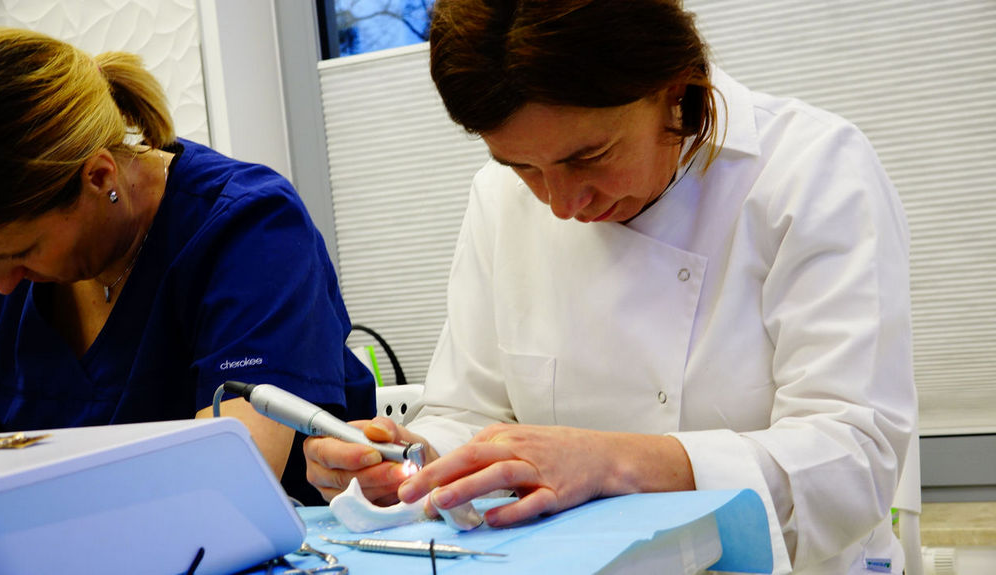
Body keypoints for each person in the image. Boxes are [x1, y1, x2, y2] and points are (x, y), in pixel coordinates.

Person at [304, 1, 917, 572]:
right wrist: (415, 459)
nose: (561, 204)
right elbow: (471, 412)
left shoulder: (810, 172)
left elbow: (853, 460)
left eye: (590, 156)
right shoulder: (498, 200)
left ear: (674, 86)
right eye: (522, 167)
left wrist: (611, 463)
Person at [0, 26, 376, 505]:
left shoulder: (251, 230)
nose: (0, 285)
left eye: (19, 253)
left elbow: (227, 485)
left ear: (98, 177)